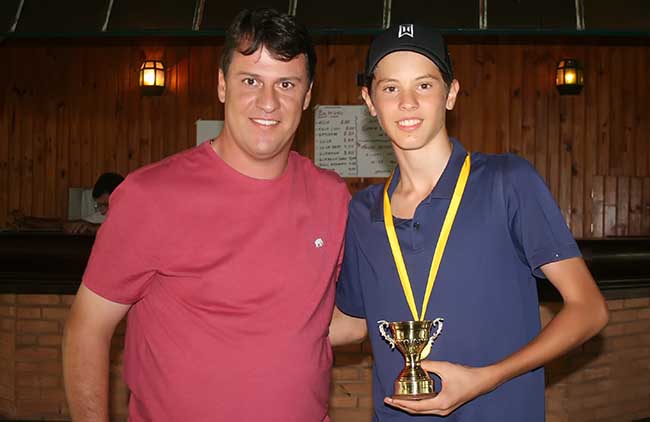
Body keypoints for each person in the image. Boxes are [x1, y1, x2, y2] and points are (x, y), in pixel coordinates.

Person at [63, 9, 350, 422]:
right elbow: (86, 329)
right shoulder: (151, 196)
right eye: (250, 80)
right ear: (221, 85)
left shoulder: (331, 196)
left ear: (307, 96)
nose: (268, 102)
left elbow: (334, 318)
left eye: (286, 84)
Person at [330, 24, 608, 421]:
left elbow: (589, 308)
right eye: (390, 88)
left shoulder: (506, 181)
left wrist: (487, 378)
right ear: (369, 101)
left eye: (424, 86)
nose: (407, 102)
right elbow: (355, 323)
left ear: (451, 93)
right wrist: (260, 324)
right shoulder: (363, 211)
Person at [9, 172, 123, 235]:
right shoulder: (100, 215)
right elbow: (61, 224)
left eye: (105, 205)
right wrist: (25, 221)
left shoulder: (135, 215)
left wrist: (93, 228)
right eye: (98, 205)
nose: (102, 211)